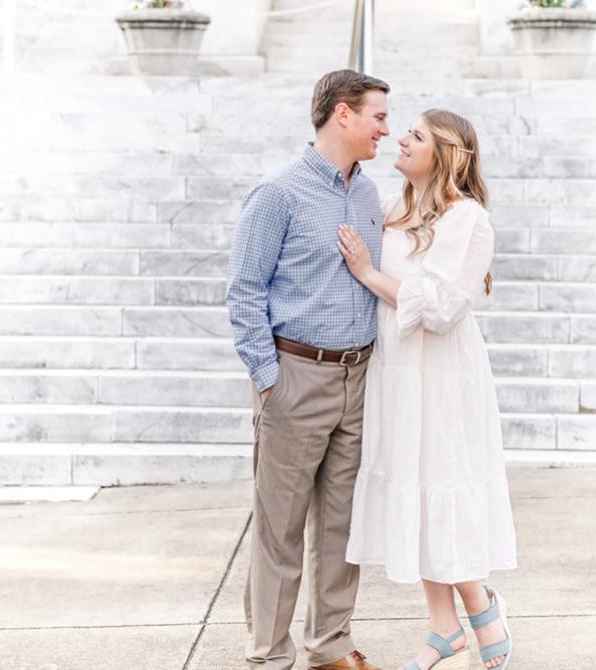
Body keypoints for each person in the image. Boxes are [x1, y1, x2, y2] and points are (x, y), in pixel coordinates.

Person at [336, 109, 517, 670]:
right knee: (414, 487)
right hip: (394, 369)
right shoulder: (392, 207)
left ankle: (478, 604)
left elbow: (440, 308)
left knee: (443, 483)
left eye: (415, 136)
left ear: (446, 154)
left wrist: (368, 273)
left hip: (440, 374)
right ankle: (444, 626)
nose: (401, 139)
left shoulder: (468, 220)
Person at [226, 69, 391, 670]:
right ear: (343, 114)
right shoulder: (278, 193)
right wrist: (269, 379)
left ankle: (330, 645)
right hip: (295, 377)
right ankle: (270, 654)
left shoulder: (369, 196)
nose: (386, 129)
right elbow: (244, 291)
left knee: (343, 527)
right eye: (377, 116)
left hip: (359, 378)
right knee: (280, 528)